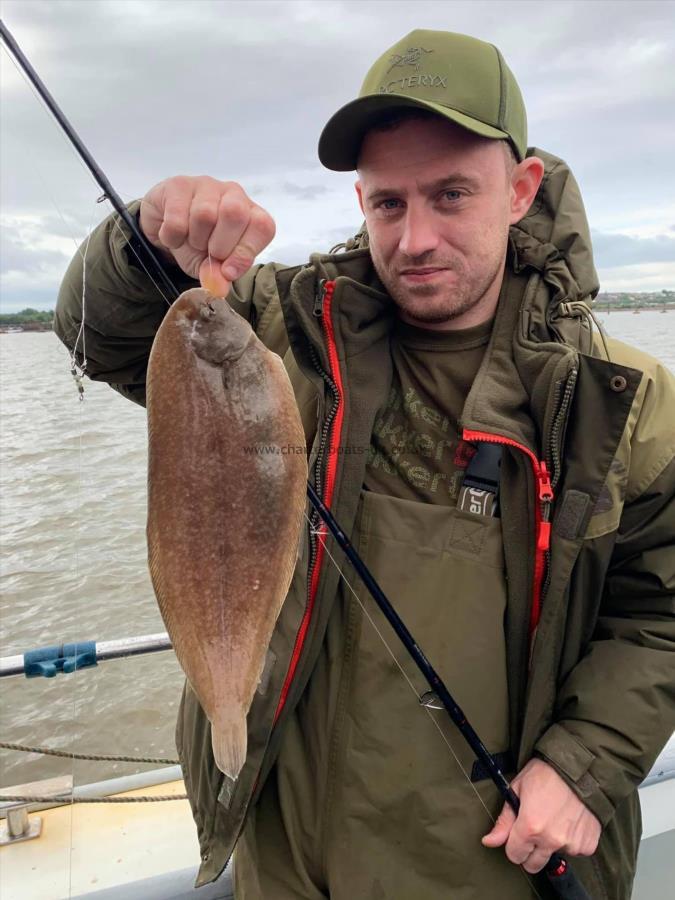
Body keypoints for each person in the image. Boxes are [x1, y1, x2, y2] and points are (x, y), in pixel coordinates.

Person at [55, 29, 675, 900]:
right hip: (284, 858)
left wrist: (581, 764)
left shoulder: (620, 401)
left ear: (519, 189)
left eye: (450, 194)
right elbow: (97, 330)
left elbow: (661, 611)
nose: (414, 237)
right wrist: (145, 243)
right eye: (388, 203)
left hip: (492, 861)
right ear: (359, 199)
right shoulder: (278, 330)